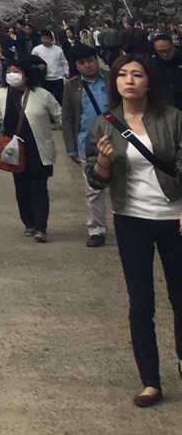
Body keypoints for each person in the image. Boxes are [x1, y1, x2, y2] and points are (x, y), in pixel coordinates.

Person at [85, 56, 182, 408]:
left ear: (149, 82)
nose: (129, 80)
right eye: (123, 75)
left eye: (137, 74)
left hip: (175, 219)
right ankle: (151, 381)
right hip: (131, 219)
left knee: (181, 297)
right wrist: (104, 162)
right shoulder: (104, 124)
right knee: (141, 304)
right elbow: (95, 178)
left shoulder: (173, 120)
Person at [0, 52, 62, 242]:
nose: (12, 75)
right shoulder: (2, 94)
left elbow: (60, 114)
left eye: (16, 71)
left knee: (39, 187)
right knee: (21, 187)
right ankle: (29, 222)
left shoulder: (42, 95)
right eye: (9, 71)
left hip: (37, 148)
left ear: (25, 74)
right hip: (14, 150)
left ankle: (41, 227)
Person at [63, 45, 112, 247]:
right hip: (86, 143)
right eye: (82, 63)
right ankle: (97, 229)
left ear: (96, 59)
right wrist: (71, 148)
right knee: (93, 189)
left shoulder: (111, 79)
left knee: (123, 185)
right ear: (76, 66)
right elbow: (67, 118)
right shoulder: (73, 86)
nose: (87, 65)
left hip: (116, 139)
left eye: (90, 60)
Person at [33, 29, 71, 103]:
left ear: (51, 38)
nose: (46, 40)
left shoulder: (58, 49)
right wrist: (38, 66)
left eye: (47, 38)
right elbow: (32, 62)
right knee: (47, 99)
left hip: (57, 77)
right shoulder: (36, 50)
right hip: (44, 78)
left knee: (60, 98)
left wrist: (66, 72)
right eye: (44, 38)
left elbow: (63, 62)